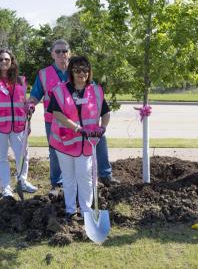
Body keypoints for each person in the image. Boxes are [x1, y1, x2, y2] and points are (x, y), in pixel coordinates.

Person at [28, 39, 119, 196]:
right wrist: (30, 105)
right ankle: (58, 183)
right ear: (52, 54)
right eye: (58, 51)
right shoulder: (44, 74)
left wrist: (101, 119)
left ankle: (105, 175)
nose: (62, 54)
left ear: (69, 53)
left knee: (100, 142)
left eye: (65, 51)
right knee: (55, 150)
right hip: (56, 121)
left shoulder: (79, 69)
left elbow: (93, 92)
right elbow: (35, 95)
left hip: (85, 120)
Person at [47, 56, 107, 218]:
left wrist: (103, 128)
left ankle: (87, 211)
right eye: (78, 70)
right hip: (64, 143)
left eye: (86, 70)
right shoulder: (60, 91)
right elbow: (57, 114)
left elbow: (105, 112)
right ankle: (70, 210)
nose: (82, 73)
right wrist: (78, 129)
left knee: (85, 175)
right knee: (68, 177)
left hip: (87, 143)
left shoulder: (95, 90)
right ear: (71, 71)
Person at [0, 49, 37, 197]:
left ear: (12, 61)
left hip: (19, 126)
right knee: (1, 158)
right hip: (1, 128)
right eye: (1, 59)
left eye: (6, 59)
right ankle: (6, 187)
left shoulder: (21, 80)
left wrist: (30, 106)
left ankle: (22, 182)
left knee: (22, 155)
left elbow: (24, 102)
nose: (3, 62)